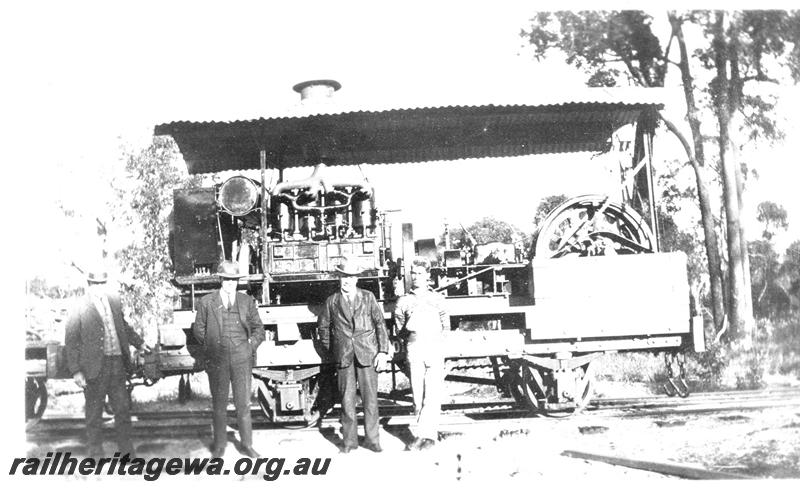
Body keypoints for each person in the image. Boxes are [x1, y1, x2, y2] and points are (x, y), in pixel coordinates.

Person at [65, 267, 150, 458]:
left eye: (102, 284)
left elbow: (123, 327)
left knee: (122, 410)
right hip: (94, 367)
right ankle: (95, 455)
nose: (99, 287)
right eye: (95, 284)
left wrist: (140, 343)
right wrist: (76, 371)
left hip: (117, 364)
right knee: (94, 413)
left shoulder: (114, 301)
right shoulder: (79, 306)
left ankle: (127, 454)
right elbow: (71, 340)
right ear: (89, 284)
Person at [318, 256, 391, 453]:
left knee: (370, 400)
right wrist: (334, 350)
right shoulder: (332, 301)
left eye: (351, 277)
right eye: (344, 277)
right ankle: (349, 443)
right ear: (339, 278)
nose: (347, 280)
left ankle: (373, 441)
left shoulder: (368, 297)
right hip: (344, 357)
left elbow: (380, 324)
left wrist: (383, 351)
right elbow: (323, 328)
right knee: (346, 401)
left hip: (367, 354)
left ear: (357, 278)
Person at [193, 261, 265, 458]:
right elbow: (198, 330)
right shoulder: (207, 301)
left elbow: (259, 329)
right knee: (219, 405)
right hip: (218, 359)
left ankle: (247, 445)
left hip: (242, 359)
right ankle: (219, 447)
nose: (231, 283)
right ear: (220, 279)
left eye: (234, 279)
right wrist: (211, 347)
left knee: (243, 405)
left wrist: (249, 347)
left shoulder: (246, 301)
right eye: (227, 279)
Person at [393, 256, 448, 451]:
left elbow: (446, 324)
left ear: (428, 276)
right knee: (418, 396)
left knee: (432, 394)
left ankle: (426, 437)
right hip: (415, 347)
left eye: (420, 273)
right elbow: (399, 327)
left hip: (433, 346)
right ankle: (425, 434)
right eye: (414, 273)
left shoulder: (437, 299)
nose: (416, 277)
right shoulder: (404, 301)